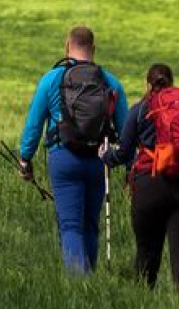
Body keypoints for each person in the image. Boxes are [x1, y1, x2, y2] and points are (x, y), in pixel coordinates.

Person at [18, 26, 128, 274]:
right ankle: (90, 284)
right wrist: (130, 167)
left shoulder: (51, 79)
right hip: (99, 160)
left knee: (70, 226)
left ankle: (81, 286)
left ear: (67, 46)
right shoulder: (110, 82)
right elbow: (125, 128)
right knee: (90, 225)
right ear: (93, 50)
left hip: (63, 157)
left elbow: (34, 125)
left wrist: (25, 159)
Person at [101, 62, 179, 291]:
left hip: (150, 185)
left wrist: (106, 156)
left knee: (147, 251)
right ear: (172, 82)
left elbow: (124, 152)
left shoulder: (139, 110)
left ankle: (143, 302)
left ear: (148, 84)